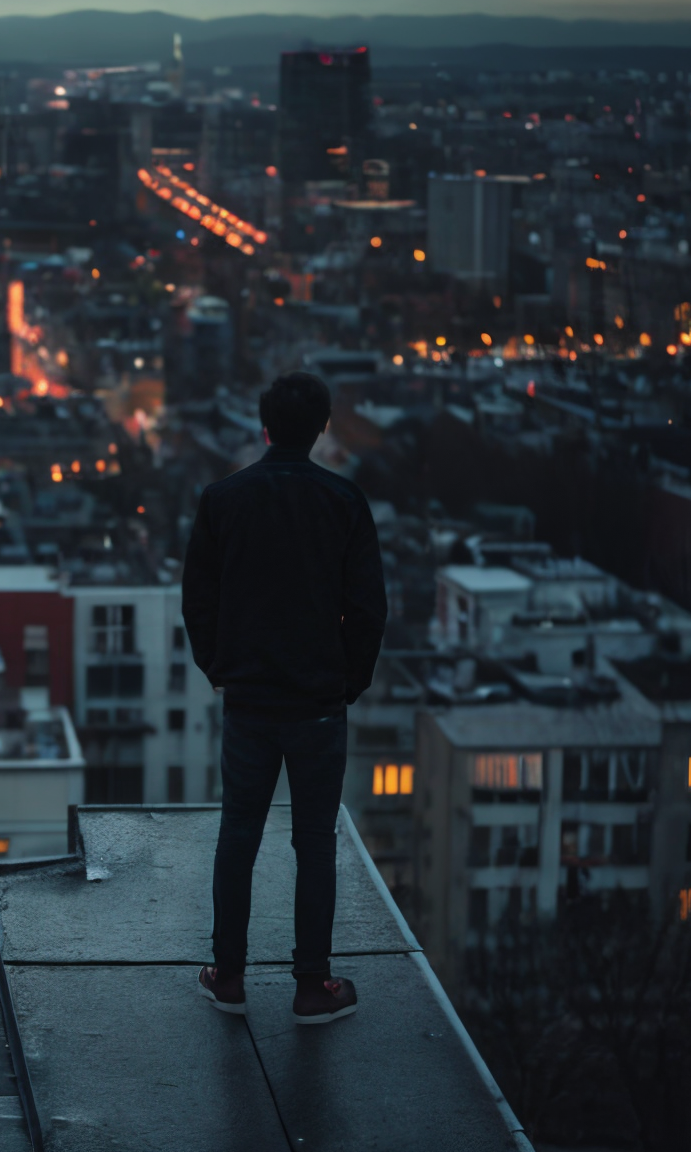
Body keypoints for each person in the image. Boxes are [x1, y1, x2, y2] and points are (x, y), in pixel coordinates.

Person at [182, 372, 386, 1025]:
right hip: (318, 702)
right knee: (315, 841)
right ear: (323, 427)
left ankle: (230, 976)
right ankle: (311, 985)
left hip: (249, 699)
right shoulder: (344, 502)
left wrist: (218, 667)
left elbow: (199, 600)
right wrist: (348, 679)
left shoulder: (222, 500)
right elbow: (368, 608)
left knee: (238, 832)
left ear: (262, 426)